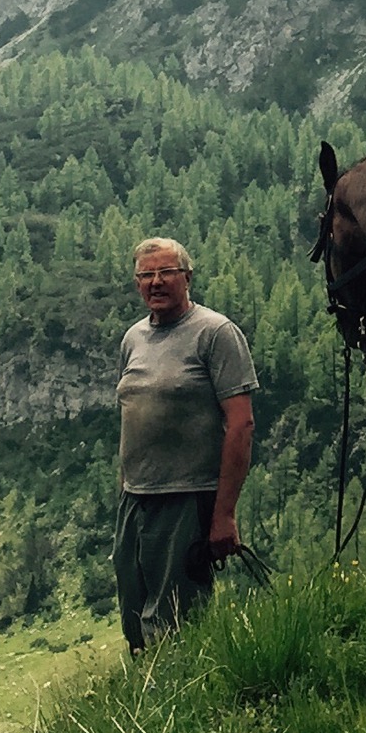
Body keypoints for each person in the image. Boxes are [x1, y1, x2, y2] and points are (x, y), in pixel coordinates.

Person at [112, 235, 257, 651]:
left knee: (176, 621)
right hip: (135, 499)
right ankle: (146, 695)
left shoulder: (216, 334)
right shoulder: (133, 339)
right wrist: (124, 486)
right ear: (137, 283)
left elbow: (241, 425)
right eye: (146, 275)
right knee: (134, 614)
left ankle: (184, 700)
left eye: (166, 273)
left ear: (187, 277)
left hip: (187, 499)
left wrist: (223, 514)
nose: (156, 282)